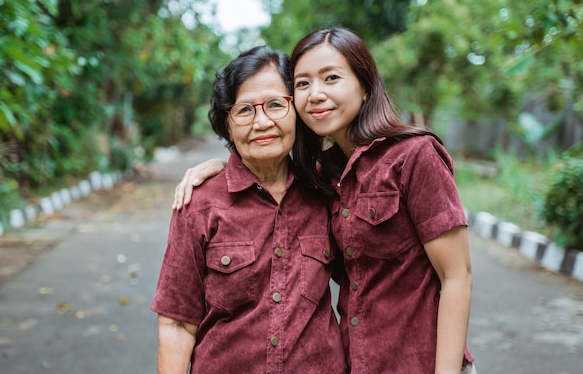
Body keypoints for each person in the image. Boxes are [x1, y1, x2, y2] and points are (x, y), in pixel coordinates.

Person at [173, 27, 476, 374]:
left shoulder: (414, 156)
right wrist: (219, 168)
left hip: (421, 363)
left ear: (364, 86)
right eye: (302, 84)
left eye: (331, 78)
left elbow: (457, 277)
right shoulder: (321, 176)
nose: (315, 94)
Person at [151, 45, 347, 374]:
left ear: (297, 111)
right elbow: (176, 325)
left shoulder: (327, 188)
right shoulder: (199, 203)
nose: (262, 122)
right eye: (244, 110)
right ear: (227, 124)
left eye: (275, 105)